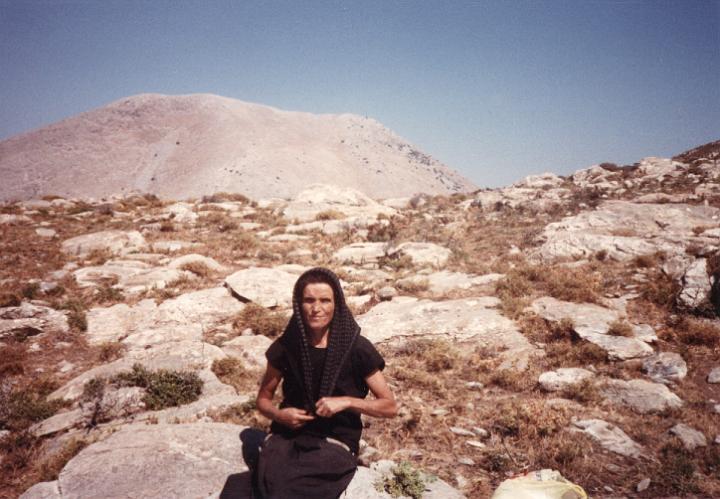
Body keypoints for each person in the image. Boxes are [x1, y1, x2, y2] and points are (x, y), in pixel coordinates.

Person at [254, 267, 397, 499]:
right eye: (309, 300)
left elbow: (389, 407)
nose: (316, 308)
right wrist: (280, 416)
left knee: (291, 488)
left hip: (334, 442)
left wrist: (347, 402)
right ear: (298, 304)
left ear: (336, 304)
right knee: (268, 482)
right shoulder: (286, 346)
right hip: (287, 437)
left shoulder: (356, 348)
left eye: (325, 300)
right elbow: (263, 400)